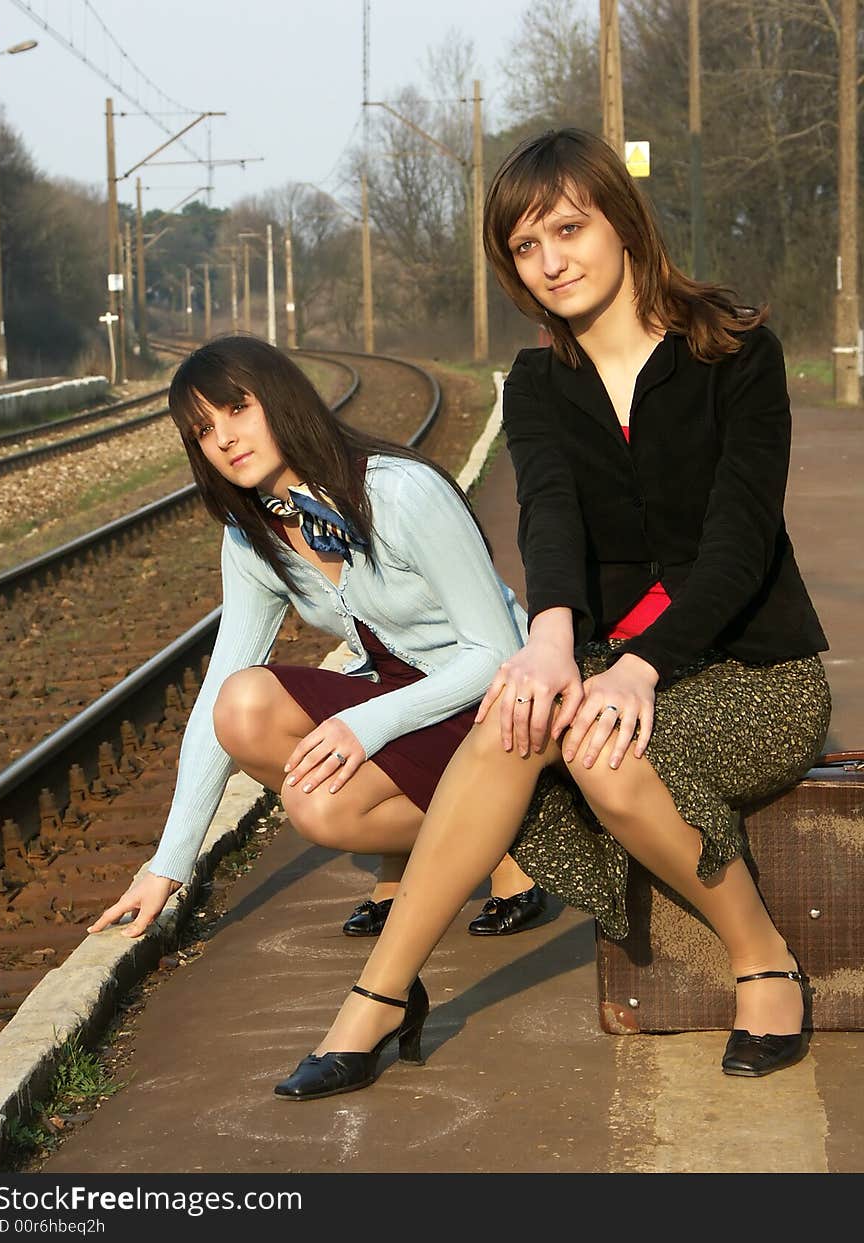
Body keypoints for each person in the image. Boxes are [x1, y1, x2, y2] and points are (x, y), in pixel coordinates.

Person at [273, 127, 831, 1101]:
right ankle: (377, 998)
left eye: (567, 230)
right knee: (514, 716)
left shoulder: (734, 353)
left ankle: (764, 959)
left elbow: (737, 545)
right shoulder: (537, 384)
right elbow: (551, 521)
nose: (549, 263)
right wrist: (549, 640)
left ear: (623, 222)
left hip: (754, 669)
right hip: (613, 664)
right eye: (525, 248)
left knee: (597, 750)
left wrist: (638, 665)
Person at [87, 335, 543, 944]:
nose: (222, 438)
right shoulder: (254, 537)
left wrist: (365, 725)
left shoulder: (399, 492)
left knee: (321, 807)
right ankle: (444, 843)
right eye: (201, 430)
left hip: (491, 701)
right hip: (400, 690)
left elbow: (499, 656)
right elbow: (217, 697)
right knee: (241, 706)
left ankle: (504, 845)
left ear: (281, 399)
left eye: (237, 409)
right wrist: (167, 866)